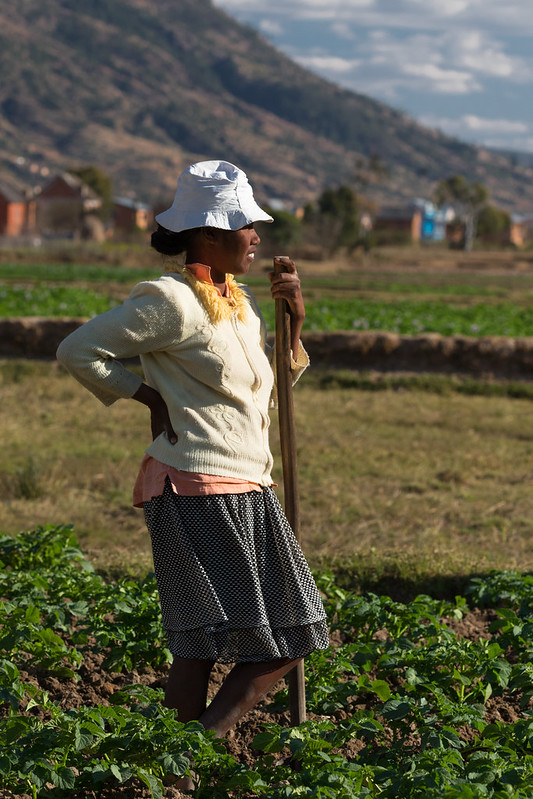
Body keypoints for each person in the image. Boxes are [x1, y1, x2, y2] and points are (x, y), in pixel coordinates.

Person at [56, 160, 329, 792]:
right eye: (245, 226)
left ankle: (164, 771)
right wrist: (148, 398)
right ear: (208, 233)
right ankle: (184, 761)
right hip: (197, 488)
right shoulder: (170, 301)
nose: (256, 236)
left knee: (204, 643)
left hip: (245, 484)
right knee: (289, 634)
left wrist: (295, 325)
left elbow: (263, 398)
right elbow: (79, 350)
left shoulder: (237, 305)